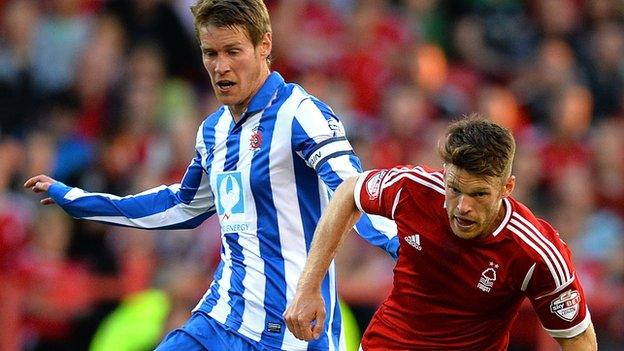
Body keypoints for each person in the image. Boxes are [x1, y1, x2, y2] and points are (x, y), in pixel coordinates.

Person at [24, 1, 399, 350]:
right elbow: (182, 206)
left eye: (232, 51)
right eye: (210, 53)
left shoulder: (300, 114)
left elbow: (356, 191)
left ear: (264, 45)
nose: (220, 67)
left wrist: (413, 249)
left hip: (292, 330)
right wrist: (79, 201)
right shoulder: (213, 131)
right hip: (220, 320)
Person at [284, 115, 598, 350]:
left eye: (479, 195)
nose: (462, 207)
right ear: (445, 174)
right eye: (455, 189)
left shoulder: (536, 253)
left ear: (507, 188)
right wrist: (309, 286)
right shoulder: (412, 190)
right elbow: (349, 191)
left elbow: (577, 339)